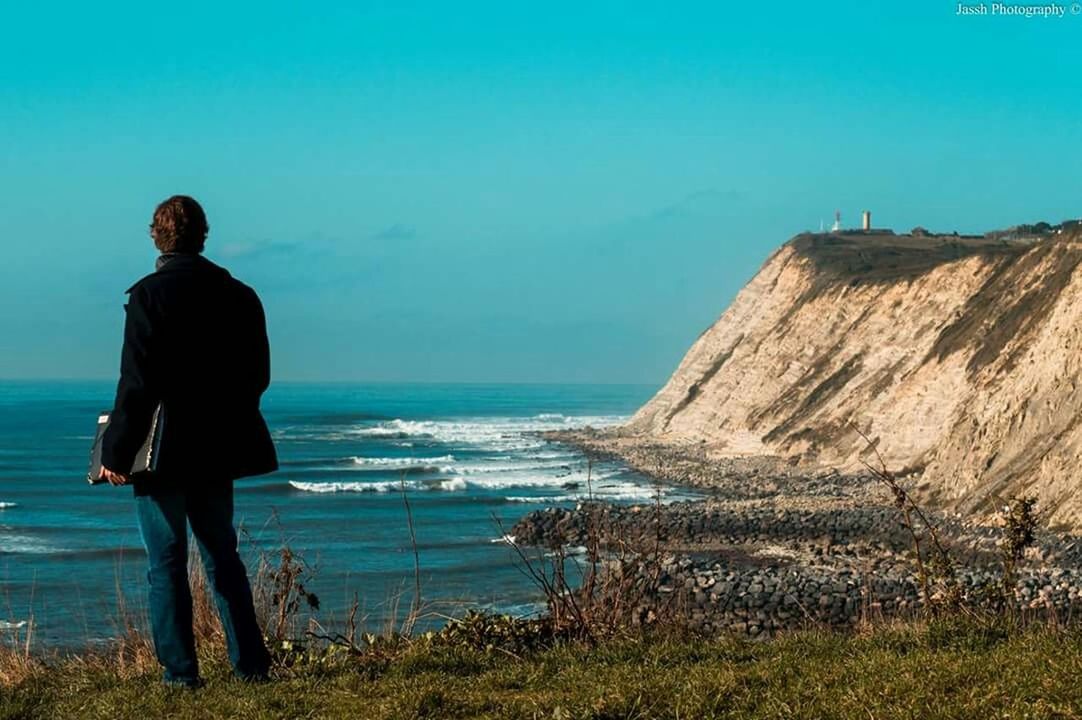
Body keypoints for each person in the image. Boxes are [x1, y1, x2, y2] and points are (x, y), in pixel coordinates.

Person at [99, 195, 278, 688]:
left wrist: (116, 452)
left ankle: (181, 676)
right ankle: (251, 668)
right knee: (222, 556)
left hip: (162, 453)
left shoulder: (148, 297)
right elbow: (257, 377)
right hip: (219, 446)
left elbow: (136, 384)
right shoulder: (240, 295)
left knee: (166, 563)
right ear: (203, 235)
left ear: (156, 237)